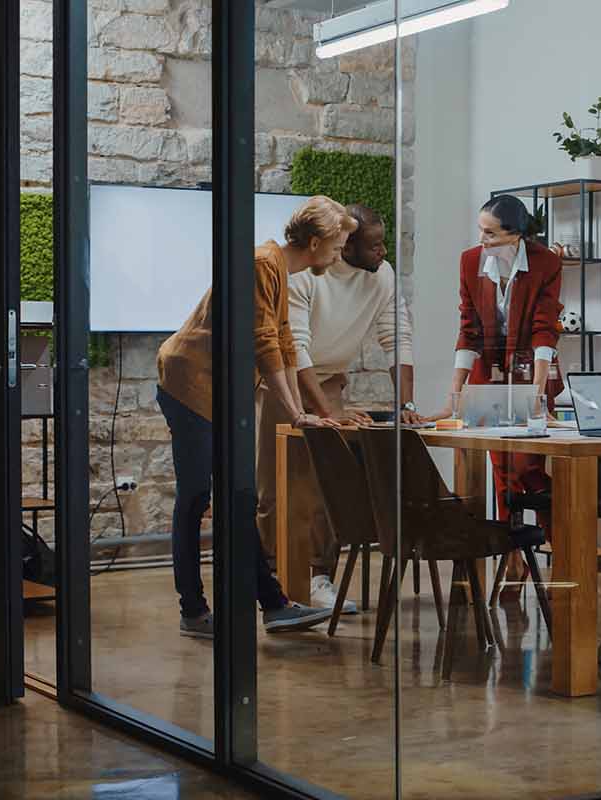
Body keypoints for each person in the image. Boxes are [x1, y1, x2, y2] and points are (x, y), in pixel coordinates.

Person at [155, 195, 350, 637]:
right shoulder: (265, 263)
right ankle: (193, 611)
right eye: (337, 247)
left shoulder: (280, 269)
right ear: (316, 242)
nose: (339, 256)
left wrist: (302, 411)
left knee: (237, 497)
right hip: (190, 384)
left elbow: (281, 339)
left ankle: (275, 605)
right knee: (195, 498)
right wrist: (296, 415)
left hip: (218, 391)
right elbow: (264, 343)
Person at [287, 203, 419, 610]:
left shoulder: (382, 275)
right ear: (345, 247)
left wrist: (405, 404)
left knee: (331, 479)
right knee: (290, 484)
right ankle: (283, 582)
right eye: (374, 245)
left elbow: (397, 336)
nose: (383, 253)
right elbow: (295, 347)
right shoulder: (306, 275)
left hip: (328, 379)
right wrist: (326, 413)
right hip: (286, 376)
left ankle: (317, 576)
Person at [436, 195, 565, 524]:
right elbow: (469, 328)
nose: (482, 240)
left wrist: (537, 392)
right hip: (488, 378)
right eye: (480, 231)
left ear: (516, 234)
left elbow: (544, 328)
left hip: (532, 372)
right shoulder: (469, 261)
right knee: (502, 468)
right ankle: (514, 554)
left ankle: (556, 538)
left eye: (490, 233)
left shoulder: (545, 262)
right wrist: (455, 395)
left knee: (527, 466)